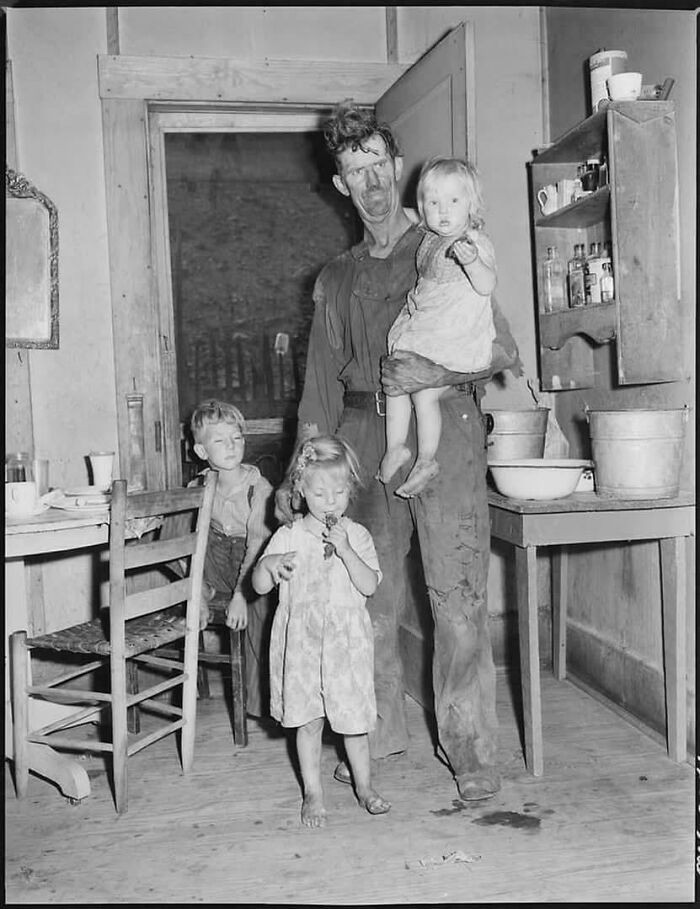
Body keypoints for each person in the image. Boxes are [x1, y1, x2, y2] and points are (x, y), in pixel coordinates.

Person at [278, 100, 522, 803]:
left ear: (397, 167)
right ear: (341, 186)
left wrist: (438, 373)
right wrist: (300, 469)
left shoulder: (446, 245)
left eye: (379, 165)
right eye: (355, 172)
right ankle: (371, 736)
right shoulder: (335, 278)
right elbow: (320, 386)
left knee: (458, 596)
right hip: (362, 441)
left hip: (447, 431)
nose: (372, 183)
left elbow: (502, 349)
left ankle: (472, 750)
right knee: (367, 599)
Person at [253, 434, 390, 827]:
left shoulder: (357, 535)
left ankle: (364, 786)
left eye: (340, 490)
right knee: (309, 722)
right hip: (303, 646)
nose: (330, 500)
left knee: (354, 723)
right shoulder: (288, 536)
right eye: (319, 492)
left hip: (346, 646)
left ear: (350, 489)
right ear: (299, 489)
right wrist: (271, 565)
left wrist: (346, 549)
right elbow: (258, 586)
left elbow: (369, 585)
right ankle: (313, 792)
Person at [379, 156, 497, 499]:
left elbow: (487, 284)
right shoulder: (429, 236)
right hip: (426, 324)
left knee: (424, 394)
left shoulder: (473, 242)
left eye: (454, 201)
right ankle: (396, 446)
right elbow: (407, 214)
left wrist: (472, 262)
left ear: (471, 206)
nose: (443, 211)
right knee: (397, 385)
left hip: (453, 333)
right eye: (434, 202)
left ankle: (426, 459)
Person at [188, 399, 274, 718]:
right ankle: (201, 593)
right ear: (201, 451)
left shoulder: (257, 487)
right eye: (220, 440)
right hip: (215, 567)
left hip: (250, 567)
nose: (231, 446)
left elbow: (257, 545)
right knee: (193, 530)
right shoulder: (199, 485)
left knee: (260, 610)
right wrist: (196, 592)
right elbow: (190, 545)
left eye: (236, 438)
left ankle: (261, 702)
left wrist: (241, 595)